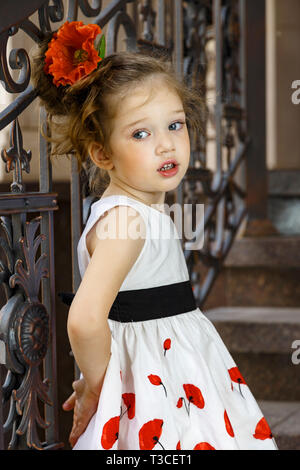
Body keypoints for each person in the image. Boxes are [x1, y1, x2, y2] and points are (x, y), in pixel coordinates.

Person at [31, 20, 278, 451]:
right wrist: (94, 383)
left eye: (175, 125)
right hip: (154, 389)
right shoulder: (126, 221)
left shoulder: (140, 210)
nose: (166, 145)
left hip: (176, 376)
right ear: (102, 153)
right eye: (141, 133)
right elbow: (86, 318)